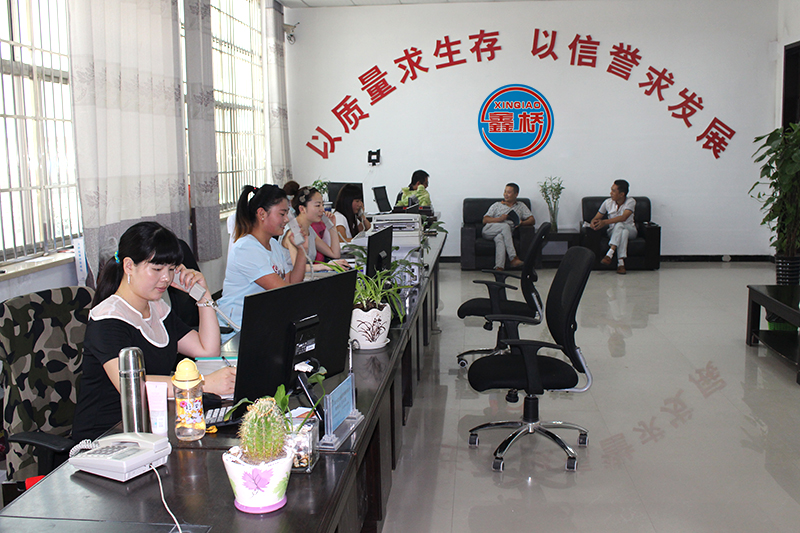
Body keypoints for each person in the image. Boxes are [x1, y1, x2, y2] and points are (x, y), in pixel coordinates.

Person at [72, 222, 236, 442]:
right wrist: (202, 383)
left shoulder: (156, 308)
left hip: (151, 426)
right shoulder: (107, 318)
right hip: (106, 436)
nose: (166, 278)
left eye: (171, 269)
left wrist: (203, 296)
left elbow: (207, 350)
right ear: (129, 266)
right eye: (157, 269)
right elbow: (131, 387)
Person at [217, 185, 308, 340]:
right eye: (282, 214)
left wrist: (302, 250)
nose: (287, 219)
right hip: (236, 331)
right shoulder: (246, 248)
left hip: (260, 325)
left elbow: (292, 282)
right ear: (262, 214)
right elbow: (285, 293)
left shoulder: (273, 244)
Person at [283, 186, 345, 270]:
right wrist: (325, 266)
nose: (322, 209)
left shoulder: (309, 230)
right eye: (318, 205)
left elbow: (335, 254)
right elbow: (298, 268)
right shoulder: (292, 232)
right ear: (302, 209)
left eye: (322, 205)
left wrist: (332, 227)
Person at [482, 183, 535, 270]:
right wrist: (499, 219)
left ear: (516, 194)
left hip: (504, 233)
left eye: (509, 192)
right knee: (505, 226)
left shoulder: (521, 206)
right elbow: (485, 220)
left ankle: (499, 268)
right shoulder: (497, 205)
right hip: (489, 230)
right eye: (505, 192)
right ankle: (513, 258)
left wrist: (522, 223)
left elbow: (532, 220)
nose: (505, 194)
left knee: (500, 238)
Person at [590, 179, 636, 275]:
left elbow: (623, 217)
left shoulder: (631, 201)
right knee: (623, 232)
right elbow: (596, 217)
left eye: (613, 191)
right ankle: (621, 263)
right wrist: (593, 222)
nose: (611, 193)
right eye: (611, 190)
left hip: (631, 229)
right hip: (613, 232)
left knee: (620, 225)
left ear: (622, 194)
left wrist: (605, 222)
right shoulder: (607, 202)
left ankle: (611, 252)